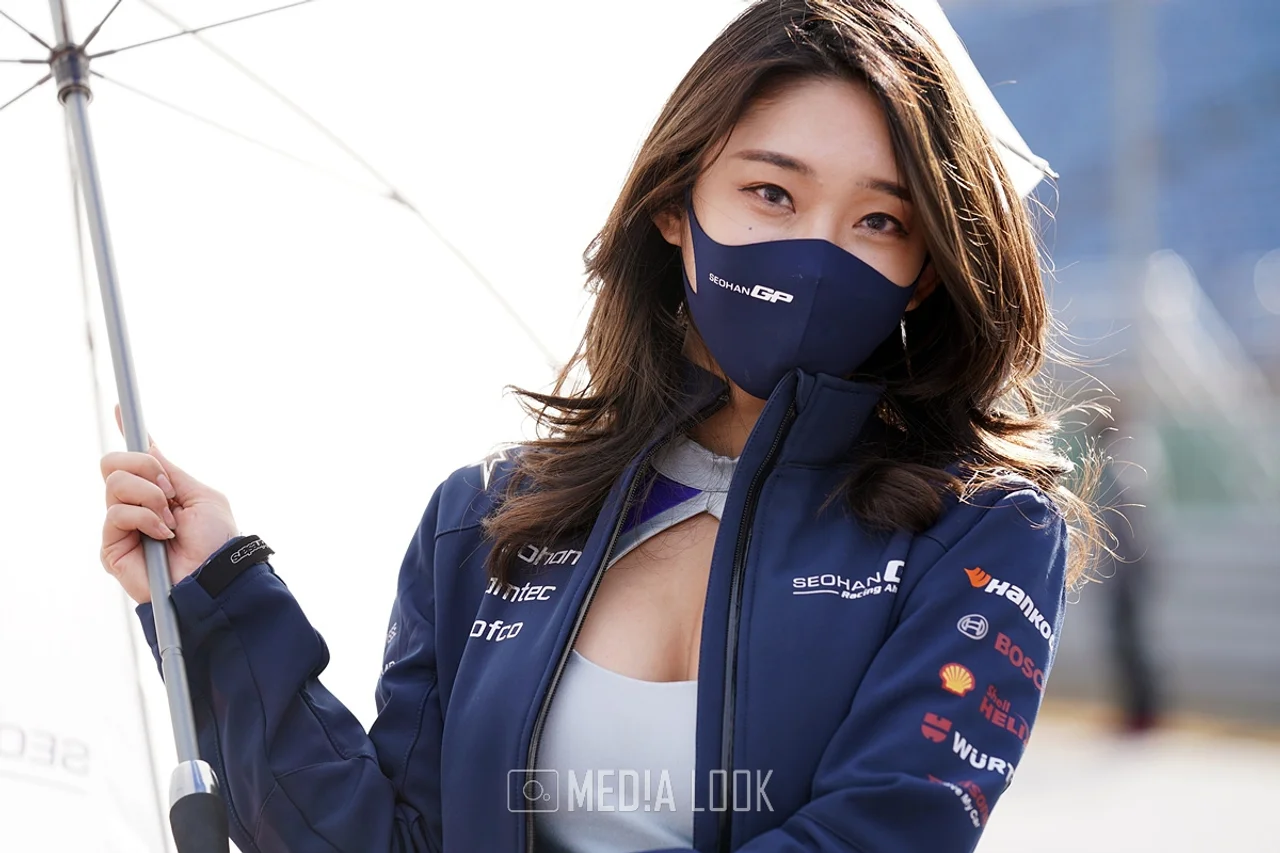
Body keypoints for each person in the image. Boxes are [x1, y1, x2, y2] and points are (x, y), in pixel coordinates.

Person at [98, 1, 1103, 850]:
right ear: (674, 206)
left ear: (924, 268)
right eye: (770, 193)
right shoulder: (486, 516)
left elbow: (880, 830)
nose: (815, 249)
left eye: (878, 220)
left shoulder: (980, 534)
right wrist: (219, 604)